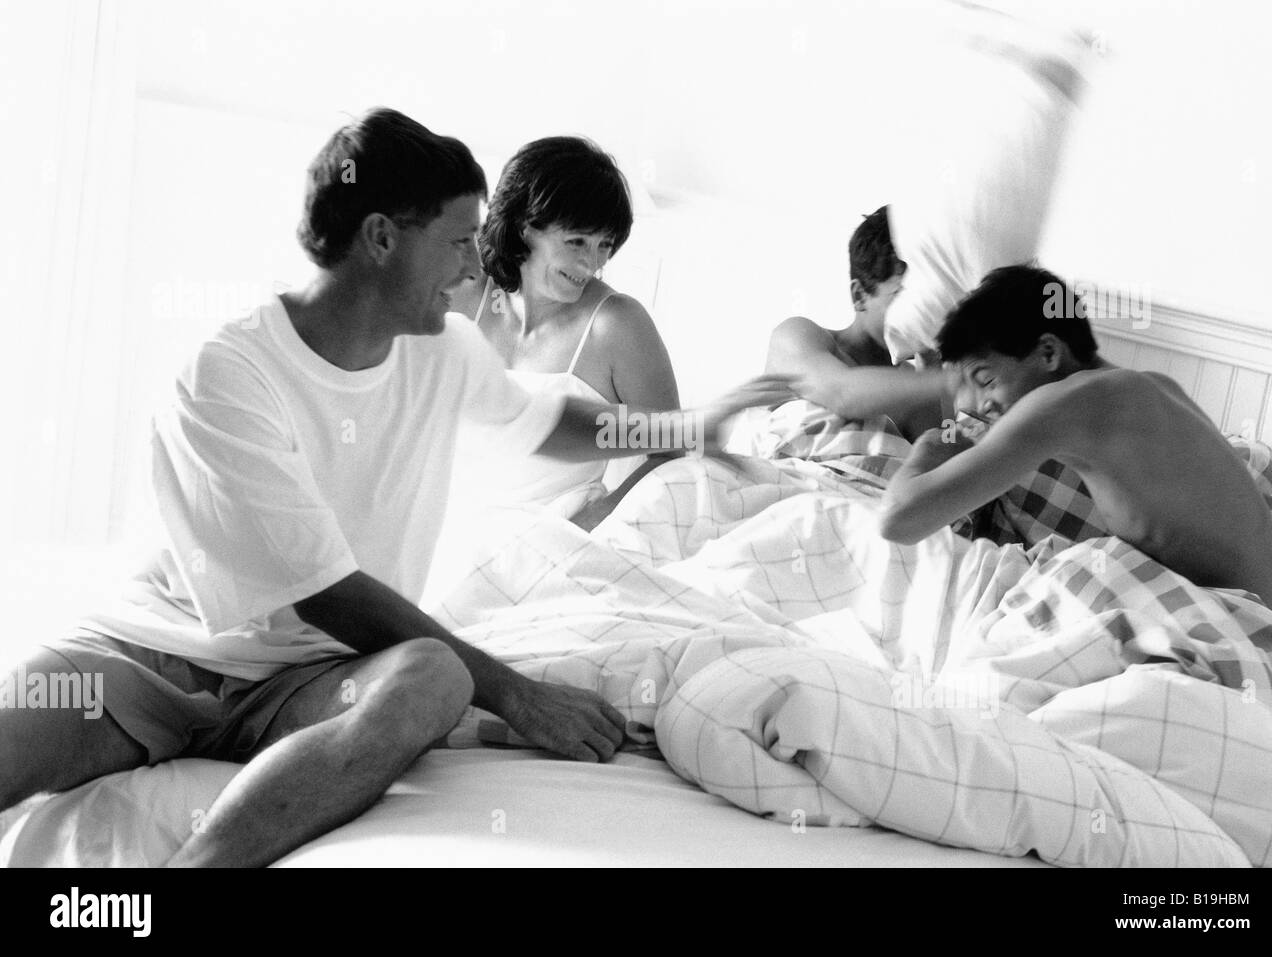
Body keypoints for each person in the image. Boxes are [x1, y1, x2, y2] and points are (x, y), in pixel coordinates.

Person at [0, 108, 791, 867]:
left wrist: (682, 427)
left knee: (435, 675)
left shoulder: (442, 349)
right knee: (23, 718)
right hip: (160, 659)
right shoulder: (227, 373)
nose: (476, 266)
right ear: (381, 237)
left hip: (310, 676)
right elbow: (326, 591)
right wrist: (519, 695)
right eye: (456, 241)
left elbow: (547, 422)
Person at [879, 264, 1272, 625]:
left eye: (986, 379)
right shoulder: (1146, 387)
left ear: (1047, 351)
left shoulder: (1066, 403)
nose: (978, 406)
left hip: (1243, 632)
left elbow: (899, 520)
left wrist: (929, 448)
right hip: (1264, 625)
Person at [449, 136, 678, 531]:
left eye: (605, 244)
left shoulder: (617, 325)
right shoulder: (463, 293)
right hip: (452, 529)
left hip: (558, 540)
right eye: (576, 241)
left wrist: (599, 516)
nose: (593, 262)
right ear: (524, 227)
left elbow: (674, 451)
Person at [763, 207, 948, 441]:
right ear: (859, 295)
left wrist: (933, 365)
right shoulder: (798, 335)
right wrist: (952, 382)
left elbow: (944, 445)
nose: (921, 312)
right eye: (903, 297)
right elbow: (843, 394)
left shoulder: (921, 380)